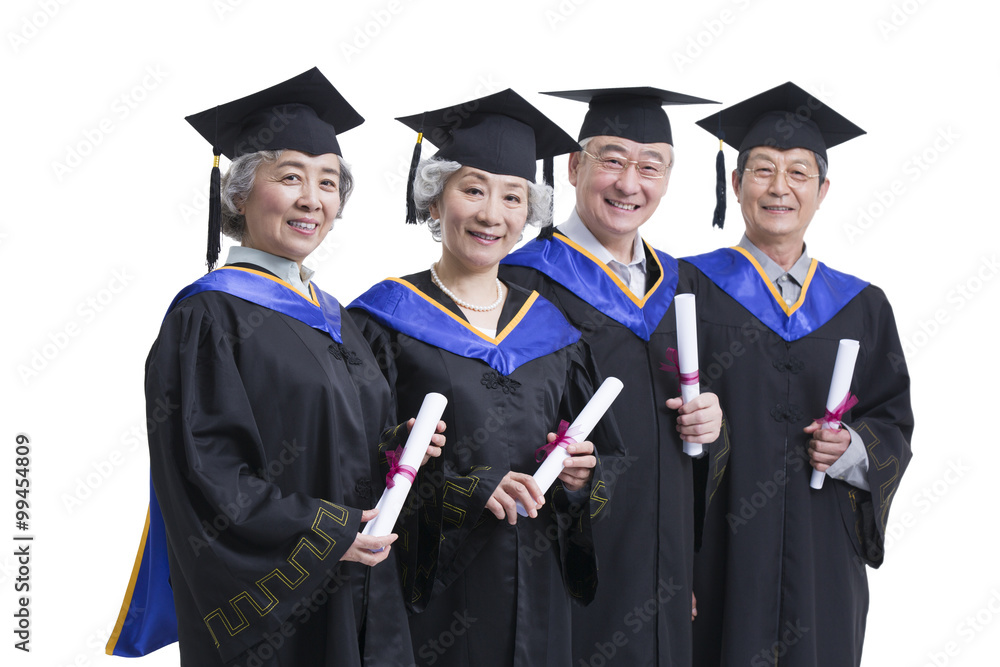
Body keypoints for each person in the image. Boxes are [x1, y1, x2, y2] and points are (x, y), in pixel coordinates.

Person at [105, 68, 443, 666]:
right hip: (279, 614)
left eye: (329, 182)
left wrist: (403, 447)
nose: (313, 198)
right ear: (238, 193)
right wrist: (330, 530)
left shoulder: (337, 317)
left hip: (366, 588)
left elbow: (338, 443)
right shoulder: (209, 316)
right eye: (291, 177)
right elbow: (207, 476)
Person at [349, 89, 627, 667]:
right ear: (433, 200)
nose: (491, 214)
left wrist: (579, 479)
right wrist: (464, 489)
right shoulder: (381, 321)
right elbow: (351, 465)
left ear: (530, 214)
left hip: (542, 595)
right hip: (431, 599)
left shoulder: (555, 332)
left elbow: (612, 464)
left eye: (512, 197)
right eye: (472, 189)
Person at [685, 82, 913, 666]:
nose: (778, 187)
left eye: (798, 173)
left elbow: (892, 420)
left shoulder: (862, 305)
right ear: (735, 185)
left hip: (822, 553)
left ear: (823, 191)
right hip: (716, 552)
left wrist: (854, 449)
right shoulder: (683, 289)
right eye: (762, 170)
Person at [501, 86, 725, 666]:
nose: (630, 184)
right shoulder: (521, 282)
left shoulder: (684, 286)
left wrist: (715, 422)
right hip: (567, 556)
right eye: (613, 160)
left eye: (651, 166)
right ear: (574, 167)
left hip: (666, 565)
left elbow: (709, 455)